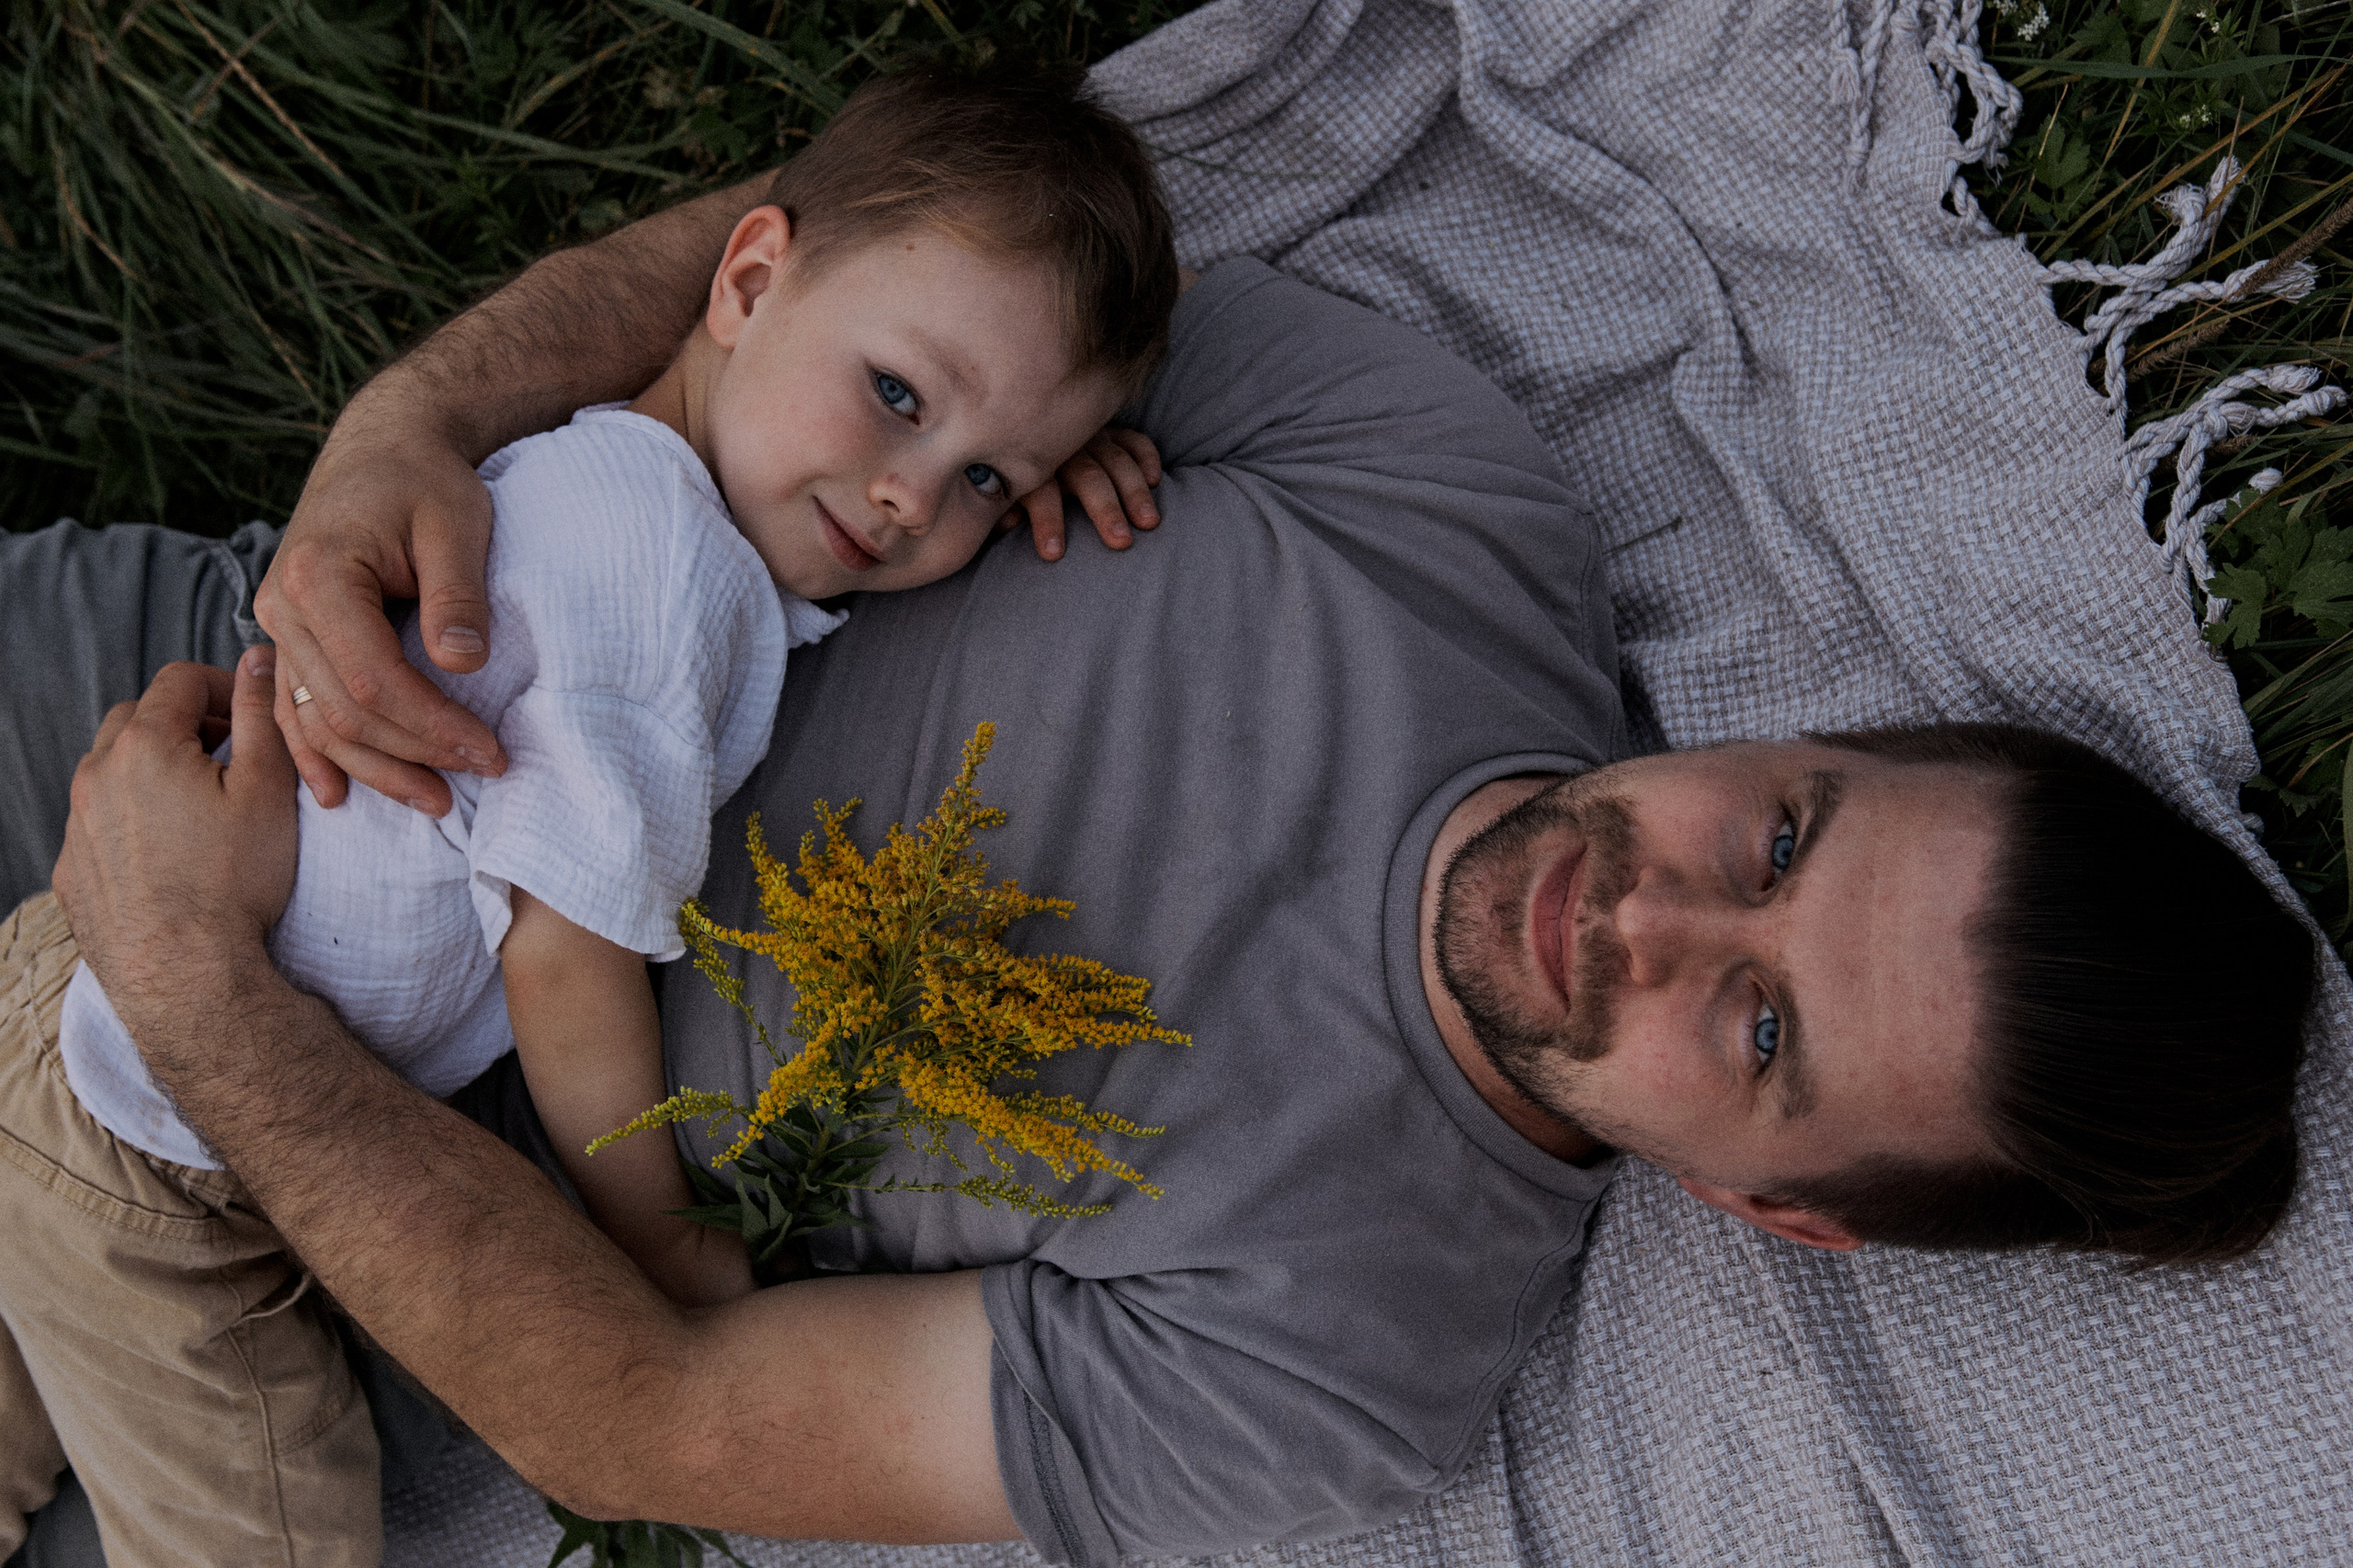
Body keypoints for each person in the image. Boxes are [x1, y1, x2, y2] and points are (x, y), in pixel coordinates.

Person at [9, 188, 2312, 1568]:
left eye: (1761, 1025)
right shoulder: (1437, 497)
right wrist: (400, 436)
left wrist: (205, 991)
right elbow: (846, 254)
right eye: (1780, 831)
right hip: (265, 688)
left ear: (1777, 1211)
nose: (1649, 911)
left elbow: (655, 1417)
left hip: (336, 1223)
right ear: (1814, 725)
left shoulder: (1360, 1343)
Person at [0, 57, 1177, 1568]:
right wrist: (654, 1228)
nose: (908, 498)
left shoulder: (686, 506)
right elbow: (563, 946)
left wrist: (1040, 469)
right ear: (746, 279)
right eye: (896, 396)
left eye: (985, 483)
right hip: (151, 1127)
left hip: (103, 1035)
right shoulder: (660, 569)